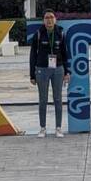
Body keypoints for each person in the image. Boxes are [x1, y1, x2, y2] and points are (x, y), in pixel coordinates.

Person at [29, 9, 70, 138]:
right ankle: (42, 128)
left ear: (55, 19)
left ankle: (58, 128)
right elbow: (32, 55)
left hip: (58, 69)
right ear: (43, 20)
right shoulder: (38, 33)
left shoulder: (61, 32)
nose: (49, 20)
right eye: (46, 18)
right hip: (42, 70)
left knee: (58, 99)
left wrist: (67, 71)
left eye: (51, 17)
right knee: (43, 100)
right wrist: (32, 74)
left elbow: (65, 53)